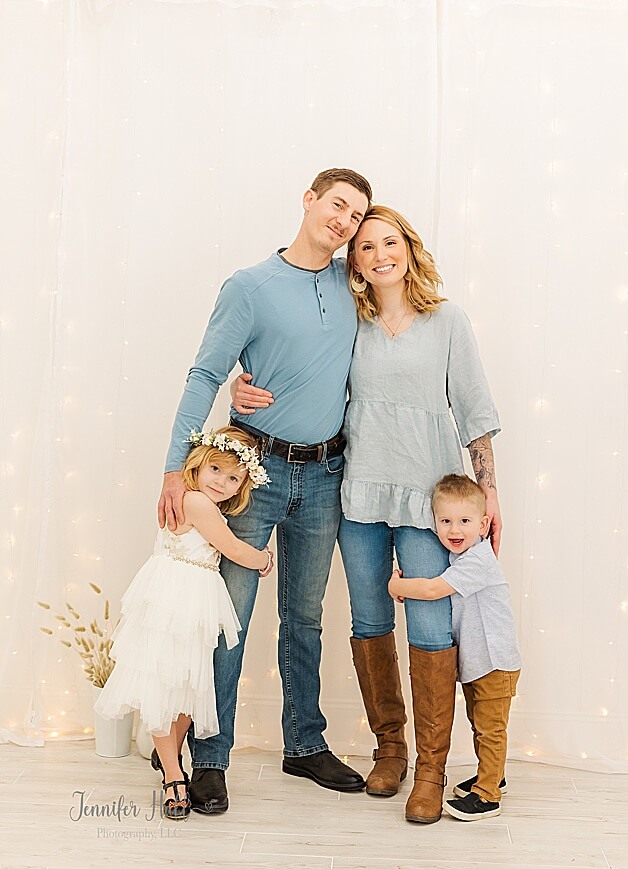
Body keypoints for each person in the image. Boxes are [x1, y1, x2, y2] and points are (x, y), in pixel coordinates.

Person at [232, 204, 503, 824]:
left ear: (408, 248)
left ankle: (432, 770)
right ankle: (391, 749)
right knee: (370, 619)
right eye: (366, 246)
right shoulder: (349, 322)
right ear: (352, 260)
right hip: (358, 496)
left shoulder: (447, 321)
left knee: (432, 629)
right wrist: (241, 387)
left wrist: (489, 494)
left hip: (431, 503)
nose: (380, 254)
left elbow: (475, 412)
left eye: (390, 242)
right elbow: (296, 372)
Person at [158, 168, 374, 814]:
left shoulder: (353, 284)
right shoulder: (249, 286)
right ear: (309, 201)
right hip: (256, 472)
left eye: (357, 215)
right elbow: (205, 372)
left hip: (327, 472)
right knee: (231, 617)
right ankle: (210, 754)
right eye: (338, 204)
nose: (345, 221)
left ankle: (304, 741)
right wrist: (175, 468)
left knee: (304, 617)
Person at [99, 427, 274, 819]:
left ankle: (169, 757)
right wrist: (263, 559)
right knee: (167, 685)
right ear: (199, 462)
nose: (222, 482)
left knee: (192, 688)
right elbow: (230, 548)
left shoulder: (203, 503)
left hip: (197, 598)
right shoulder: (194, 501)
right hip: (175, 597)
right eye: (216, 468)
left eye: (233, 478)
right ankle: (174, 777)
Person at [388, 474, 522, 822]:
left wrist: (398, 585)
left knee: (491, 728)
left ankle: (488, 795)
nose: (454, 529)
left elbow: (433, 590)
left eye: (464, 521)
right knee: (480, 723)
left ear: (483, 525)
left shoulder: (479, 560)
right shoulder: (460, 560)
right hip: (479, 661)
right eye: (445, 521)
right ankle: (492, 775)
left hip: (495, 661)